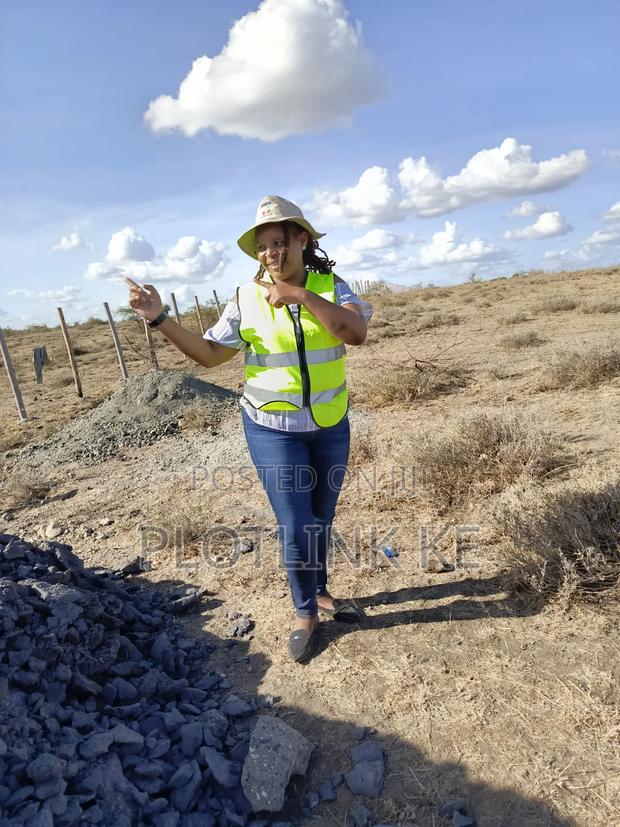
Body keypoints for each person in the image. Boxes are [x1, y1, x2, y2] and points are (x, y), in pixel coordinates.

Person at [126, 195, 373, 662]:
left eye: (279, 243)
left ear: (302, 238)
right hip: (271, 427)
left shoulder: (334, 286)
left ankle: (319, 590)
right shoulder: (245, 297)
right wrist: (158, 318)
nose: (272, 254)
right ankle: (305, 614)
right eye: (263, 248)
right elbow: (208, 354)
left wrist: (300, 295)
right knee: (297, 522)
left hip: (330, 423)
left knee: (322, 515)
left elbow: (355, 334)